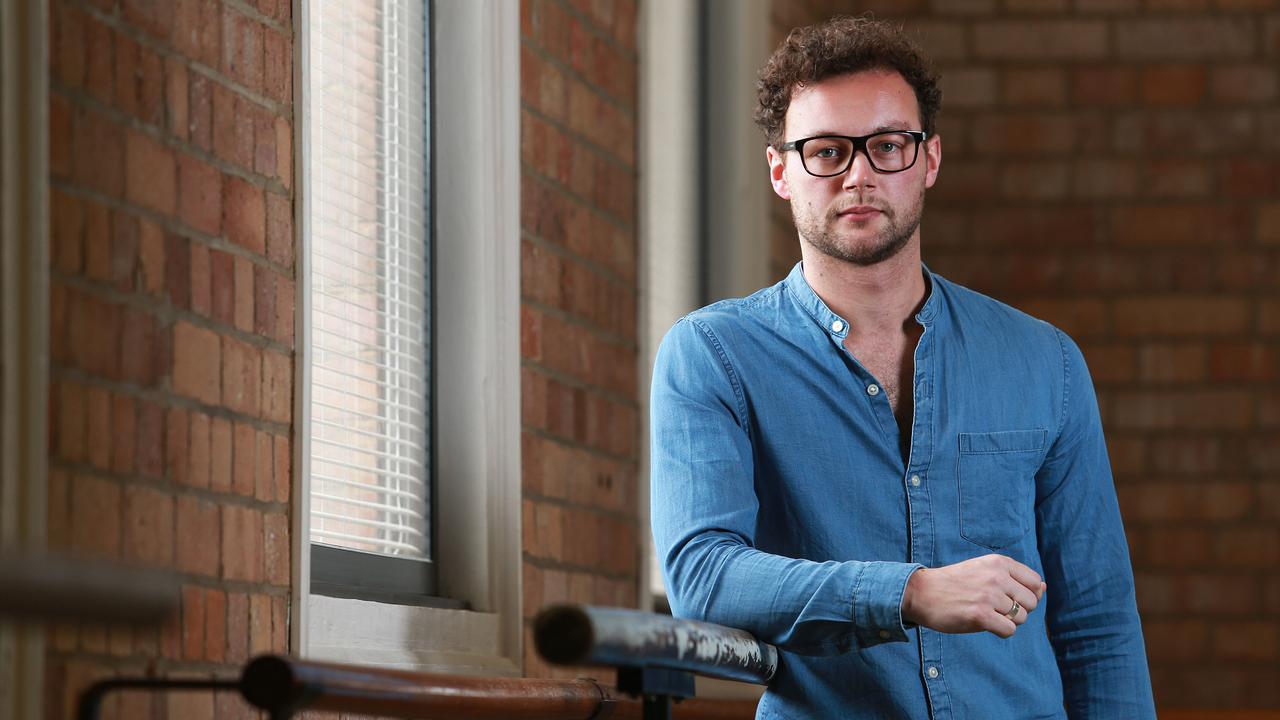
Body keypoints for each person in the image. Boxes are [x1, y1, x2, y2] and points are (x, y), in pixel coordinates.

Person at [649, 15, 1155, 719]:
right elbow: (703, 577)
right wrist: (909, 593)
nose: (859, 174)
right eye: (826, 151)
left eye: (887, 145)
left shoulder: (1047, 363)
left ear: (929, 160)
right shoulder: (715, 356)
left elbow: (1098, 626)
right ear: (780, 172)